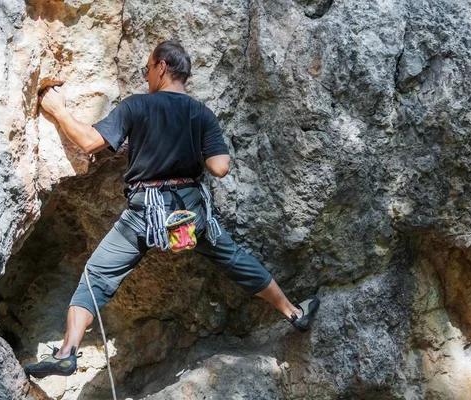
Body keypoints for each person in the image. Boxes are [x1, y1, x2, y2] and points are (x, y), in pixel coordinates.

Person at [25, 41, 319, 379]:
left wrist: (59, 111)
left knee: (97, 277)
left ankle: (66, 352)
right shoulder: (201, 114)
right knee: (234, 258)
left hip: (144, 213)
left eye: (147, 69)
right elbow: (220, 167)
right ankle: (294, 312)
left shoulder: (137, 106)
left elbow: (90, 142)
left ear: (162, 66)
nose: (146, 75)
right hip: (190, 215)